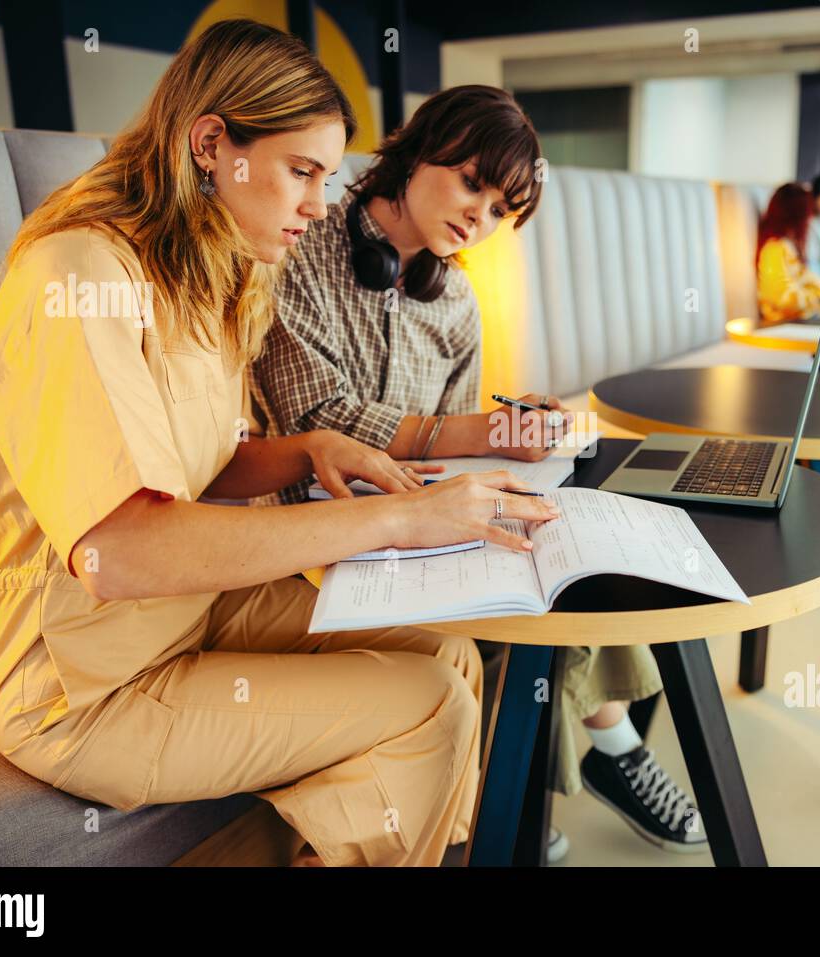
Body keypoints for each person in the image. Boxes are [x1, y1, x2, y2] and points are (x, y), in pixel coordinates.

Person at [0, 19, 559, 868]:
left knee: (449, 651)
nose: (320, 206)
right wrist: (396, 521)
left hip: (190, 611)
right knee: (430, 703)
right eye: (303, 172)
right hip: (85, 684)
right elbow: (119, 550)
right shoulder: (78, 278)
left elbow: (197, 463)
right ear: (212, 145)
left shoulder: (209, 270)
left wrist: (308, 447)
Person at [251, 85, 708, 859]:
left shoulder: (455, 297)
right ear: (416, 151)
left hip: (418, 518)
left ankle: (535, 784)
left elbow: (457, 448)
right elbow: (313, 421)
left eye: (501, 209)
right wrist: (472, 431)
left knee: (568, 559)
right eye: (471, 182)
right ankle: (578, 769)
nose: (480, 218)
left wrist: (510, 434)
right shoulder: (305, 242)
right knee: (538, 589)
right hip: (317, 529)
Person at [757, 182, 820, 323]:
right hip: (782, 325)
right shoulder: (774, 249)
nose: (810, 221)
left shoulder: (790, 248)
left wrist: (819, 292)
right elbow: (782, 299)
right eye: (807, 215)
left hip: (800, 320)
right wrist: (815, 297)